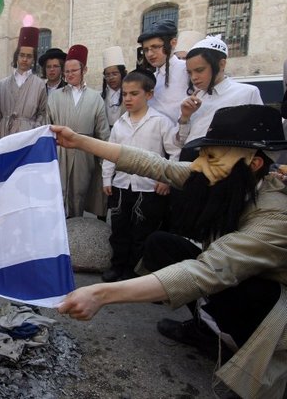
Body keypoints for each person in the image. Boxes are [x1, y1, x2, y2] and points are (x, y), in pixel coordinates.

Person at [52, 104, 287, 398]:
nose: (198, 165)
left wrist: (101, 294)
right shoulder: (225, 175)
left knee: (244, 290)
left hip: (269, 307)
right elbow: (156, 165)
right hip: (224, 275)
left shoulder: (274, 218)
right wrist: (79, 141)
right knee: (161, 245)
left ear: (253, 164)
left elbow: (207, 271)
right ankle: (205, 330)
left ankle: (244, 352)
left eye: (210, 156)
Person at [101, 70, 179, 282]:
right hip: (122, 185)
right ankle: (117, 266)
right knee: (119, 230)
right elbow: (110, 152)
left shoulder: (161, 122)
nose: (128, 98)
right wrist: (107, 178)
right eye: (125, 94)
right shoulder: (119, 124)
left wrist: (166, 178)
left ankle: (134, 273)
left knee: (142, 232)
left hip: (149, 187)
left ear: (149, 94)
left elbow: (174, 152)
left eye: (134, 93)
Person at [175, 35, 262, 161]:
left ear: (221, 64)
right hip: (190, 166)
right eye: (190, 72)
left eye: (199, 70)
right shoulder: (194, 98)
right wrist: (185, 117)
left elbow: (258, 139)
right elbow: (181, 143)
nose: (194, 77)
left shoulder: (246, 93)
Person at [47, 44, 110, 218]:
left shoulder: (95, 97)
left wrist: (105, 163)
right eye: (66, 72)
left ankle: (77, 231)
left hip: (84, 153)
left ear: (85, 70)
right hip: (60, 151)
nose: (69, 75)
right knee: (58, 193)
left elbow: (102, 132)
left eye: (74, 70)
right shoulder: (55, 96)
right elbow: (47, 125)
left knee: (79, 194)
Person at [0, 26, 47, 141]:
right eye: (22, 55)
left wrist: (33, 130)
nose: (25, 59)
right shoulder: (3, 84)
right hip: (4, 135)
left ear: (33, 59)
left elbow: (43, 113)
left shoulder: (39, 84)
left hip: (27, 137)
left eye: (29, 56)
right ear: (17, 56)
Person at [138, 19, 189, 124]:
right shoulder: (152, 78)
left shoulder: (187, 70)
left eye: (155, 47)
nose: (150, 54)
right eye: (146, 49)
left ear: (173, 43)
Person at [100, 46, 127, 128]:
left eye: (115, 74)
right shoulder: (100, 97)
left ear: (122, 73)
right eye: (107, 75)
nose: (111, 78)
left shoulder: (129, 95)